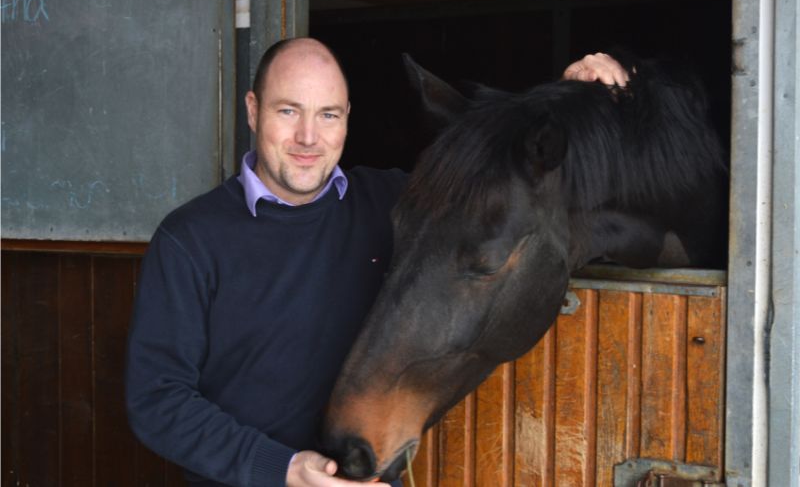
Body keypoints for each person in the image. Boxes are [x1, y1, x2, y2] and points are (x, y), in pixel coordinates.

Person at [125, 38, 628, 487]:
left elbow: (507, 186)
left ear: (347, 117)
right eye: (288, 111)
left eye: (328, 115)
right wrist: (283, 469)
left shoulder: (393, 206)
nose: (308, 137)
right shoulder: (190, 238)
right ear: (253, 111)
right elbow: (157, 400)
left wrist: (573, 102)